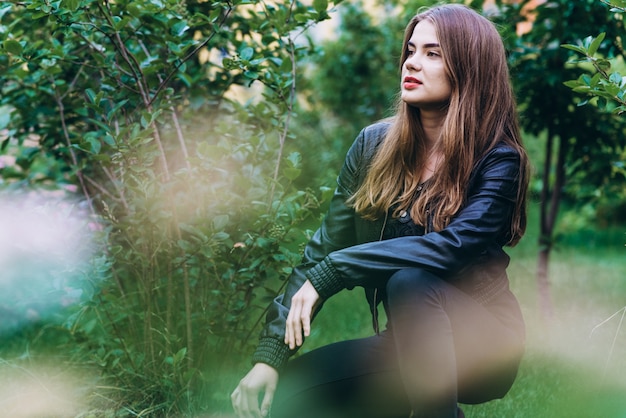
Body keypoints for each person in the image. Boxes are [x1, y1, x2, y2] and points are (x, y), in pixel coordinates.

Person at [231, 3, 529, 418]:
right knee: (290, 396)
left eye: (433, 53)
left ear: (470, 68)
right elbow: (322, 249)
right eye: (410, 50)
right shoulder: (373, 147)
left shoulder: (498, 159)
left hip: (485, 343)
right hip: (410, 337)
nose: (412, 62)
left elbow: (451, 248)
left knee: (409, 280)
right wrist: (270, 356)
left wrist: (335, 271)